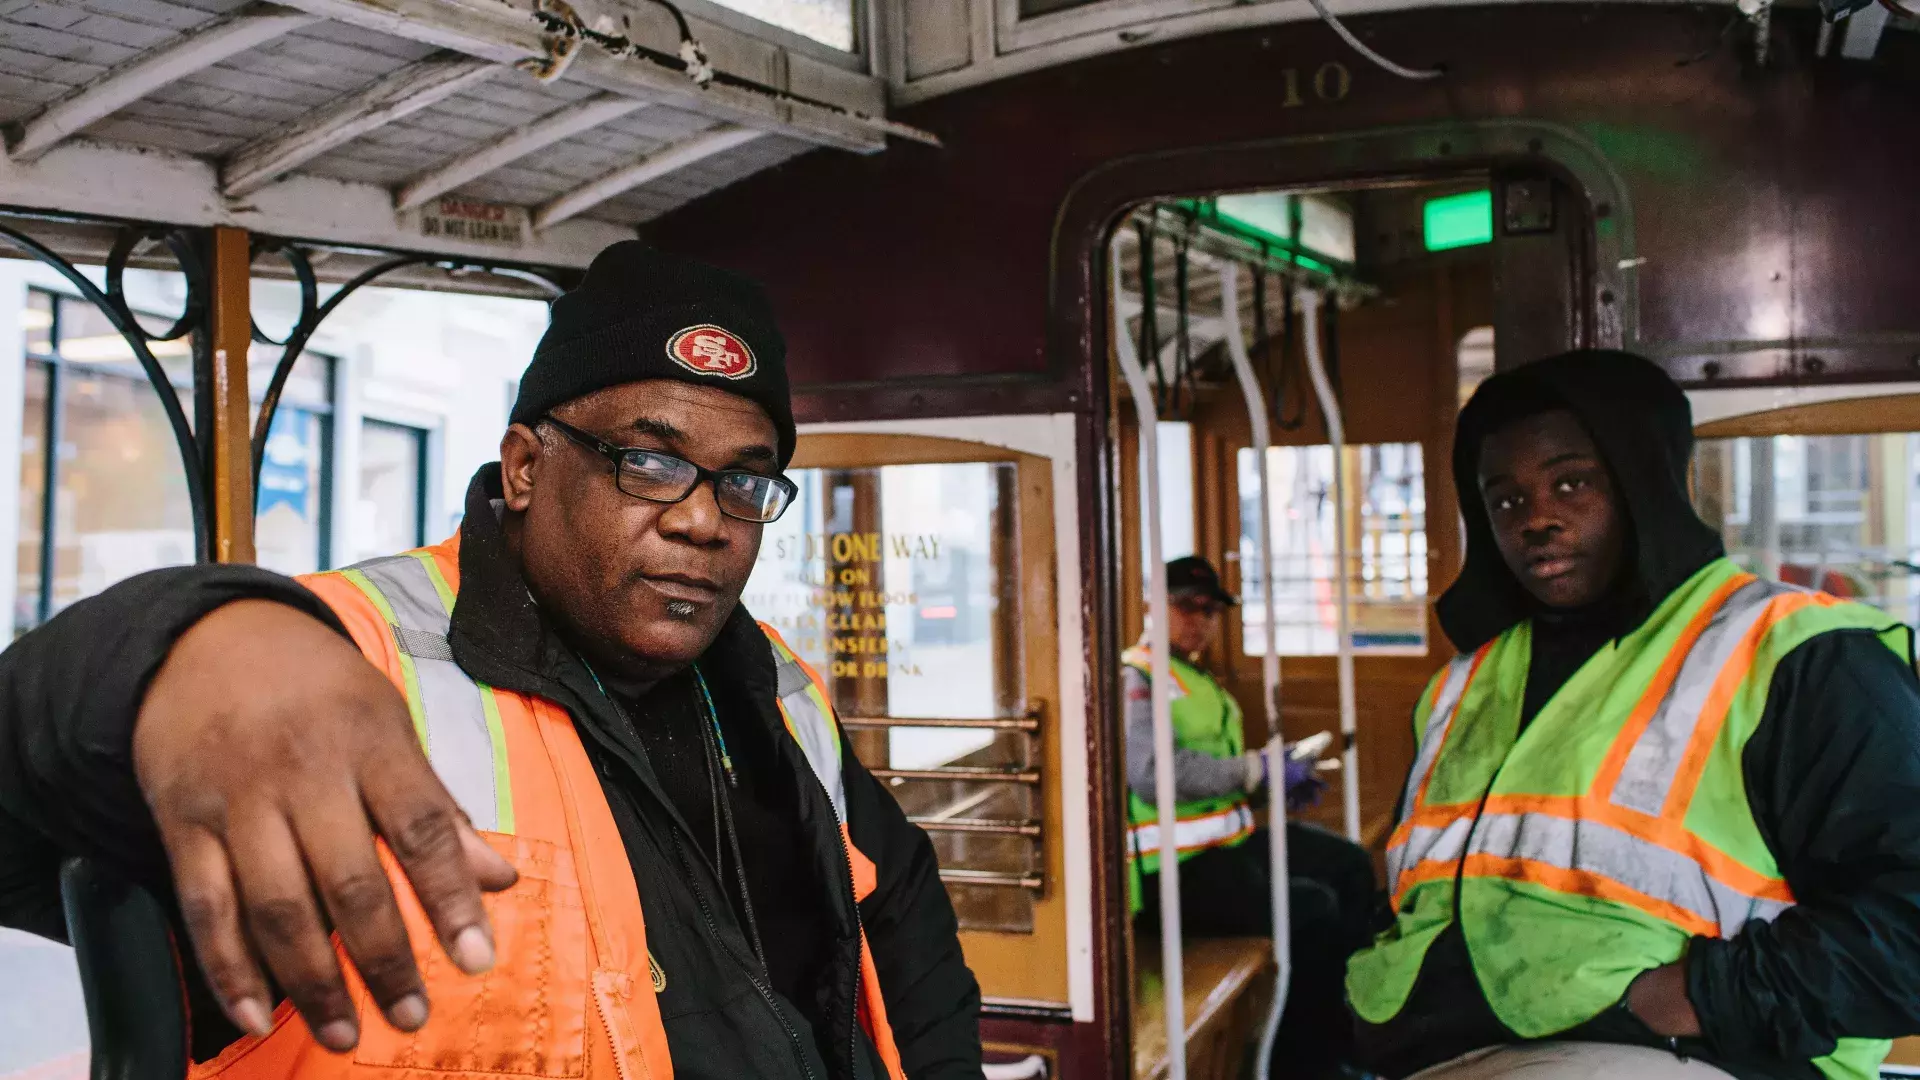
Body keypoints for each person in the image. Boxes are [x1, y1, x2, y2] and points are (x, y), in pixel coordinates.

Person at [0, 243, 981, 1080]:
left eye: (744, 482)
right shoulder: (339, 668)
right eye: (649, 461)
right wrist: (177, 644)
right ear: (525, 467)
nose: (700, 519)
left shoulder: (775, 685)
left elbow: (899, 929)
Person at [1346, 349, 1920, 1080]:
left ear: (1644, 483)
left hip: (1693, 1051)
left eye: (1572, 482)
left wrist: (1700, 995)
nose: (1538, 519)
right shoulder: (1466, 683)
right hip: (1442, 1052)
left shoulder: (1794, 654)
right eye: (1506, 500)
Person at [1125, 555, 1377, 1079]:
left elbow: (1216, 788)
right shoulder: (1137, 678)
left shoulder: (1197, 679)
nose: (1201, 619)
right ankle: (1301, 1064)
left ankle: (1346, 1035)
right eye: (1186, 606)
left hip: (1227, 845)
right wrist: (1254, 770)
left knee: (1350, 865)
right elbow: (1152, 773)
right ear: (1153, 607)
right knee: (1310, 911)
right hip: (1169, 872)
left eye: (1211, 610)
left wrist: (1273, 785)